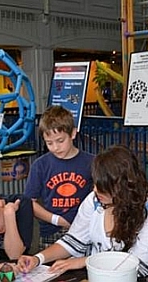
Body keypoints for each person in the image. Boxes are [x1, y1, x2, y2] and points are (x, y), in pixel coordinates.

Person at [18, 145, 148, 278]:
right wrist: (38, 258)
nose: (95, 190)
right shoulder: (95, 199)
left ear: (122, 187)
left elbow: (139, 266)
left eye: (102, 187)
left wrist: (86, 261)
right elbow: (73, 241)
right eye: (96, 184)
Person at [24, 105, 94, 250]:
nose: (55, 147)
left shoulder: (91, 163)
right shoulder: (40, 165)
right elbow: (29, 202)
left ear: (73, 133)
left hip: (85, 229)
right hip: (51, 230)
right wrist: (56, 220)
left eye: (60, 141)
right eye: (49, 143)